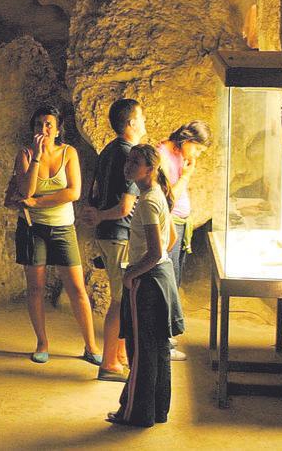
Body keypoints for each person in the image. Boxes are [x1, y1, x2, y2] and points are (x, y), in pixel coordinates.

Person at [10, 105, 101, 365]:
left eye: (49, 124)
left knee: (77, 288)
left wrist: (39, 203)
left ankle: (91, 345)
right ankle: (42, 342)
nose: (44, 129)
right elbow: (26, 191)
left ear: (58, 128)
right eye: (39, 124)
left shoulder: (68, 153)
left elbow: (73, 192)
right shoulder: (26, 155)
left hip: (62, 227)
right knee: (36, 288)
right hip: (31, 228)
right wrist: (37, 157)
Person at [107, 144, 185, 427]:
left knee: (141, 352)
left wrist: (132, 274)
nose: (129, 165)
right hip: (160, 277)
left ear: (150, 169)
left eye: (136, 162)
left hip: (148, 281)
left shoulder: (150, 200)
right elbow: (170, 240)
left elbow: (154, 251)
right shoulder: (154, 195)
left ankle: (137, 413)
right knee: (157, 348)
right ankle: (156, 411)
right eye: (129, 160)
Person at [84, 98, 145, 381]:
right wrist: (105, 216)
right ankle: (109, 363)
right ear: (131, 123)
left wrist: (96, 216)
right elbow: (125, 207)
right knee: (120, 301)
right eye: (141, 118)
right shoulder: (130, 155)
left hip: (107, 235)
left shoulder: (108, 150)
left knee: (122, 297)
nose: (144, 124)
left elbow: (94, 194)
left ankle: (119, 355)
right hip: (120, 234)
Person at [157, 121, 212, 362]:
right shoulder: (163, 155)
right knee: (167, 283)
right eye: (198, 148)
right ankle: (162, 343)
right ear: (187, 140)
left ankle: (165, 336)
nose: (198, 154)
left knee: (174, 280)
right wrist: (188, 175)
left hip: (180, 225)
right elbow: (169, 198)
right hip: (170, 226)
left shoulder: (179, 156)